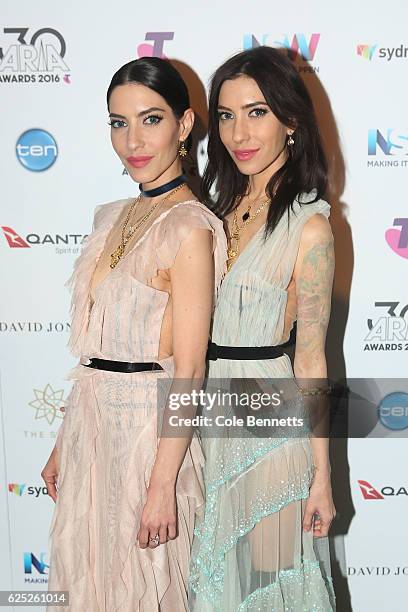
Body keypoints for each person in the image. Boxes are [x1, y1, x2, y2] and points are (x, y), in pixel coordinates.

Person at [41, 56, 227, 611]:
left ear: (185, 125)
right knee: (91, 581)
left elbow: (189, 370)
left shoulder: (191, 228)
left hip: (147, 436)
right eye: (118, 123)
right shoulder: (110, 216)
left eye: (150, 119)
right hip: (90, 425)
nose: (132, 141)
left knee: (144, 588)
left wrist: (162, 484)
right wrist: (61, 444)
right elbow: (97, 351)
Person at [189, 46, 337, 610]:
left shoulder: (311, 227)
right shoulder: (215, 208)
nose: (238, 132)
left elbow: (312, 361)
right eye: (225, 115)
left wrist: (321, 477)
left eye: (257, 112)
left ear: (290, 120)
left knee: (269, 584)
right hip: (205, 418)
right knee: (215, 582)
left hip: (271, 432)